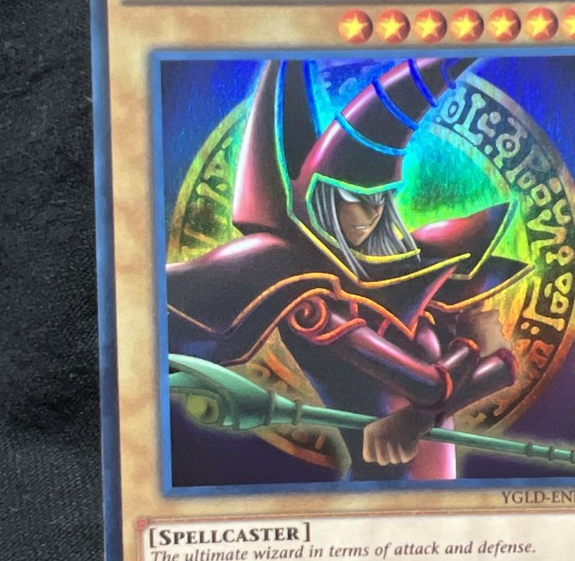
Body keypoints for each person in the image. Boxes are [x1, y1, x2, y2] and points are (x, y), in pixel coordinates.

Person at [166, 57, 530, 480]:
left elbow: (503, 368)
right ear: (321, 201)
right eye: (355, 199)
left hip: (433, 485)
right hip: (385, 482)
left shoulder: (408, 276)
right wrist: (467, 349)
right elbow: (429, 385)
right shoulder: (314, 301)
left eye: (380, 199)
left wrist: (416, 418)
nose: (372, 215)